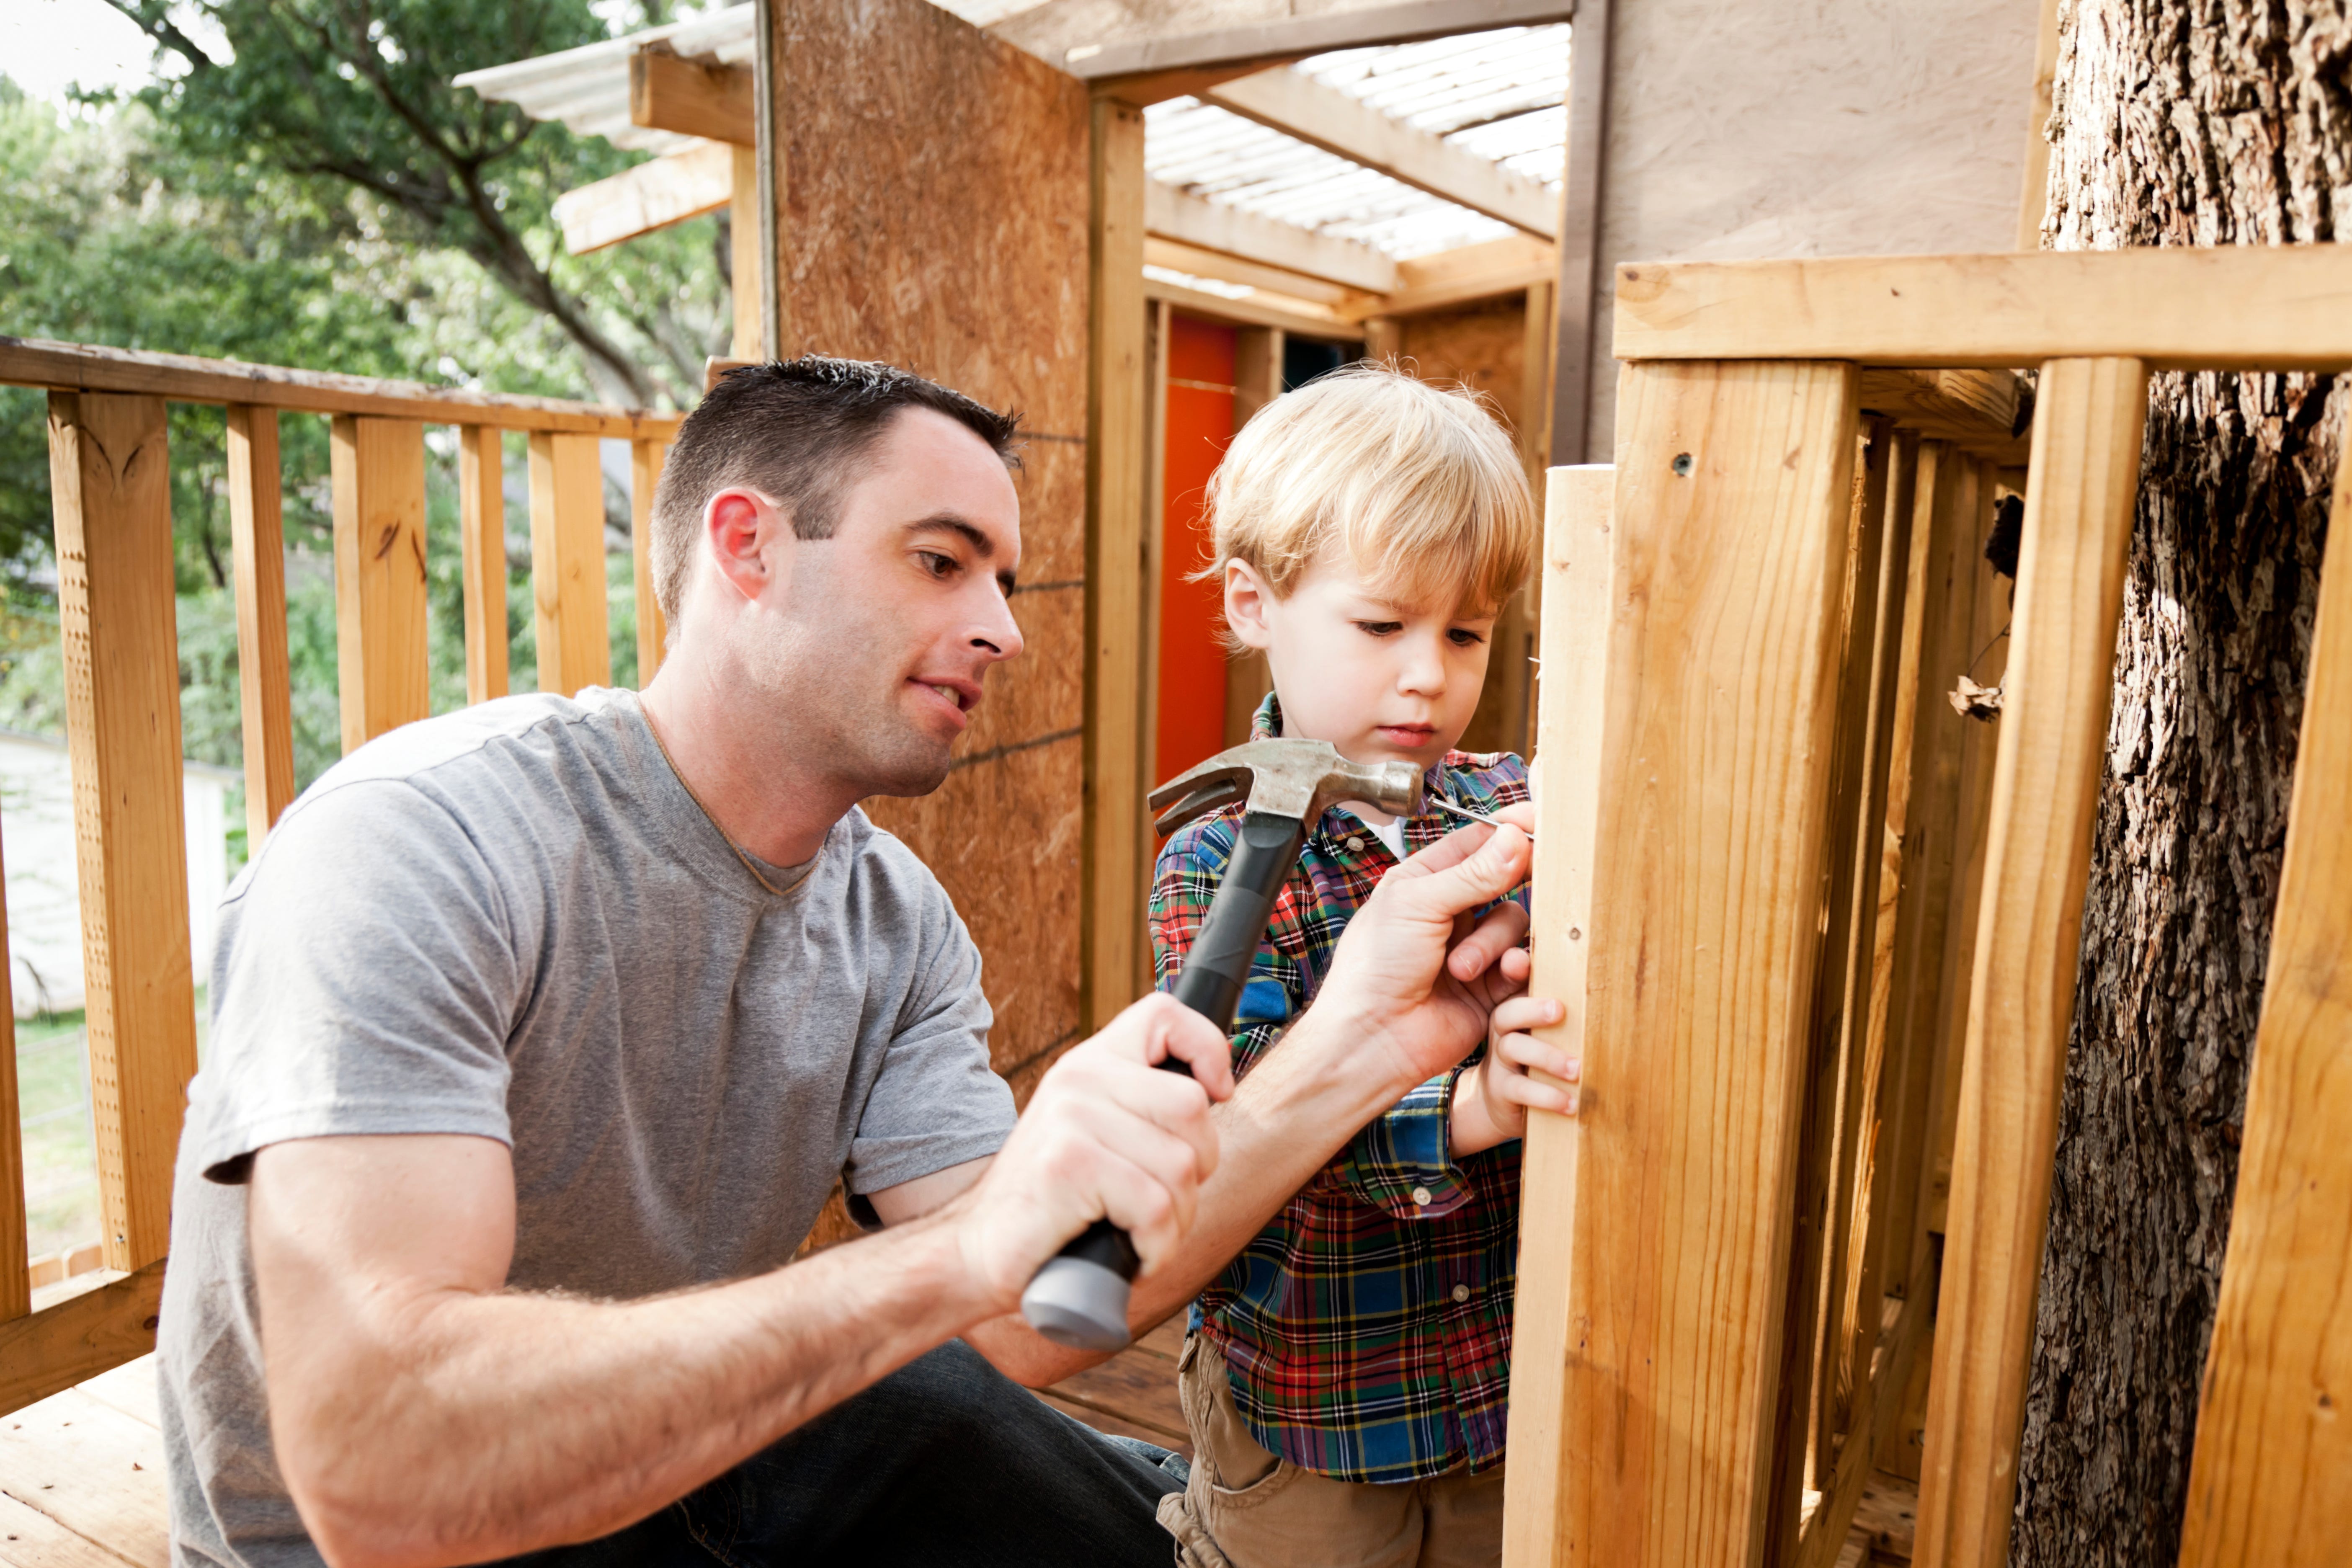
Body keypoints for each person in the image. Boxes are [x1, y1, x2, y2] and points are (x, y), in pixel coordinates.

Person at [157, 356, 1540, 1568]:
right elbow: (385, 1476)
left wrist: (1366, 1042)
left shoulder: (897, 922)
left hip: (712, 1443)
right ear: (747, 548)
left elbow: (1042, 1312)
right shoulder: (422, 842)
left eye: (1002, 575)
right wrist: (971, 1255)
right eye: (942, 562)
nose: (1005, 624)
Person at [1150, 366, 1577, 1568]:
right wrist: (1475, 1103)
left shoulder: (1518, 810)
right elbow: (1246, 1105)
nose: (1428, 673)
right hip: (1314, 1399)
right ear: (1251, 603)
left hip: (1501, 1380)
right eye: (1382, 625)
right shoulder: (1211, 868)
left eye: (1467, 633)